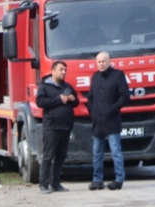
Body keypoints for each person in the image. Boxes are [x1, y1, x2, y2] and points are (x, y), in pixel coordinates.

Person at [86, 52, 132, 190]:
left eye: (103, 61)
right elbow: (90, 97)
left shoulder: (118, 75)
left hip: (112, 119)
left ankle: (119, 179)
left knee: (115, 151)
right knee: (97, 152)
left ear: (109, 61)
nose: (101, 64)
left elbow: (125, 96)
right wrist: (92, 111)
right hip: (97, 121)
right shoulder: (94, 76)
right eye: (99, 62)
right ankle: (97, 180)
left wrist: (113, 108)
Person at [35, 61, 79, 194]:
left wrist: (72, 99)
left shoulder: (67, 86)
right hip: (51, 127)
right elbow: (40, 102)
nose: (63, 72)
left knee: (61, 157)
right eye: (61, 70)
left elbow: (76, 102)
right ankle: (44, 184)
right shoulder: (44, 86)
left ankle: (56, 183)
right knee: (48, 156)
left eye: (65, 70)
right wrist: (59, 99)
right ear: (53, 71)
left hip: (65, 127)